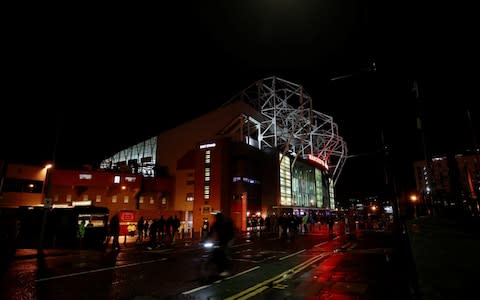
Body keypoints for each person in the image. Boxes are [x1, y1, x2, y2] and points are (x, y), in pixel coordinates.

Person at [208, 211, 235, 276]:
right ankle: (218, 268)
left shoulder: (225, 223)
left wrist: (226, 241)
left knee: (224, 252)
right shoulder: (216, 223)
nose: (216, 218)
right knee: (216, 252)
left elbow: (229, 232)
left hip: (228, 239)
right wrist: (205, 239)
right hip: (221, 240)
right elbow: (211, 231)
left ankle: (226, 268)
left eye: (217, 217)